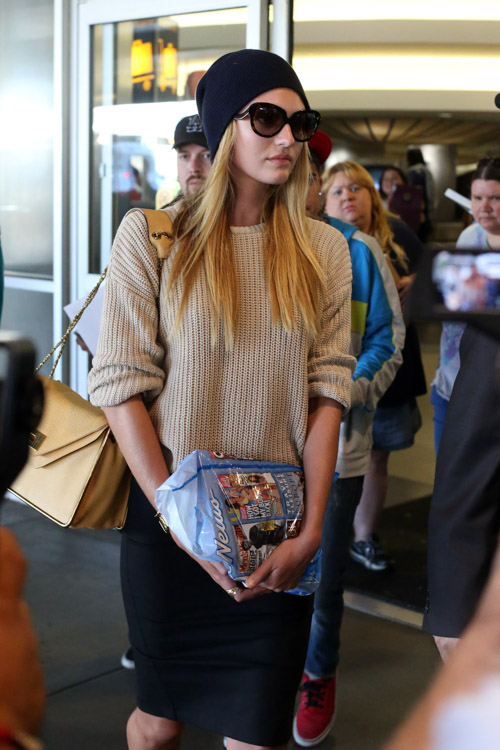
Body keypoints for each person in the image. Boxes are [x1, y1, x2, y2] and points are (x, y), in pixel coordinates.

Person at [88, 48, 355, 750]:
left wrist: (313, 531)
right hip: (168, 524)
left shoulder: (324, 252)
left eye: (300, 125)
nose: (286, 138)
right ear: (221, 124)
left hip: (277, 534)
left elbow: (329, 395)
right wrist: (182, 525)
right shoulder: (153, 237)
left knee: (258, 732)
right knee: (156, 722)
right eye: (266, 117)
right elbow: (121, 389)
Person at [294, 138, 404, 746]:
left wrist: (343, 394)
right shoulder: (254, 242)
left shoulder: (359, 252)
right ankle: (269, 667)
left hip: (340, 449)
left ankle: (318, 671)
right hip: (258, 451)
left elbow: (387, 341)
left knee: (324, 574)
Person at [119, 114, 211, 672]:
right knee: (156, 698)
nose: (193, 164)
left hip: (237, 473)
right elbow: (123, 369)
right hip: (163, 466)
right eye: (184, 154)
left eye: (203, 151)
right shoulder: (153, 231)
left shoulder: (289, 237)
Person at [324, 160, 426, 571]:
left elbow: (431, 272)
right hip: (343, 375)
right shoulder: (327, 245)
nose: (348, 197)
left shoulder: (396, 233)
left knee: (379, 455)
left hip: (388, 368)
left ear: (372, 194)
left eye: (356, 189)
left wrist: (413, 283)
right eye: (338, 190)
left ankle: (363, 536)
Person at [430, 157, 500, 454]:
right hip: (452, 382)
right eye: (477, 197)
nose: (484, 207)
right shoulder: (469, 236)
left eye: (496, 198)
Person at [406, 147, 435, 242]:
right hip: (426, 205)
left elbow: (413, 192)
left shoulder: (414, 172)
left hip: (416, 207)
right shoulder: (426, 170)